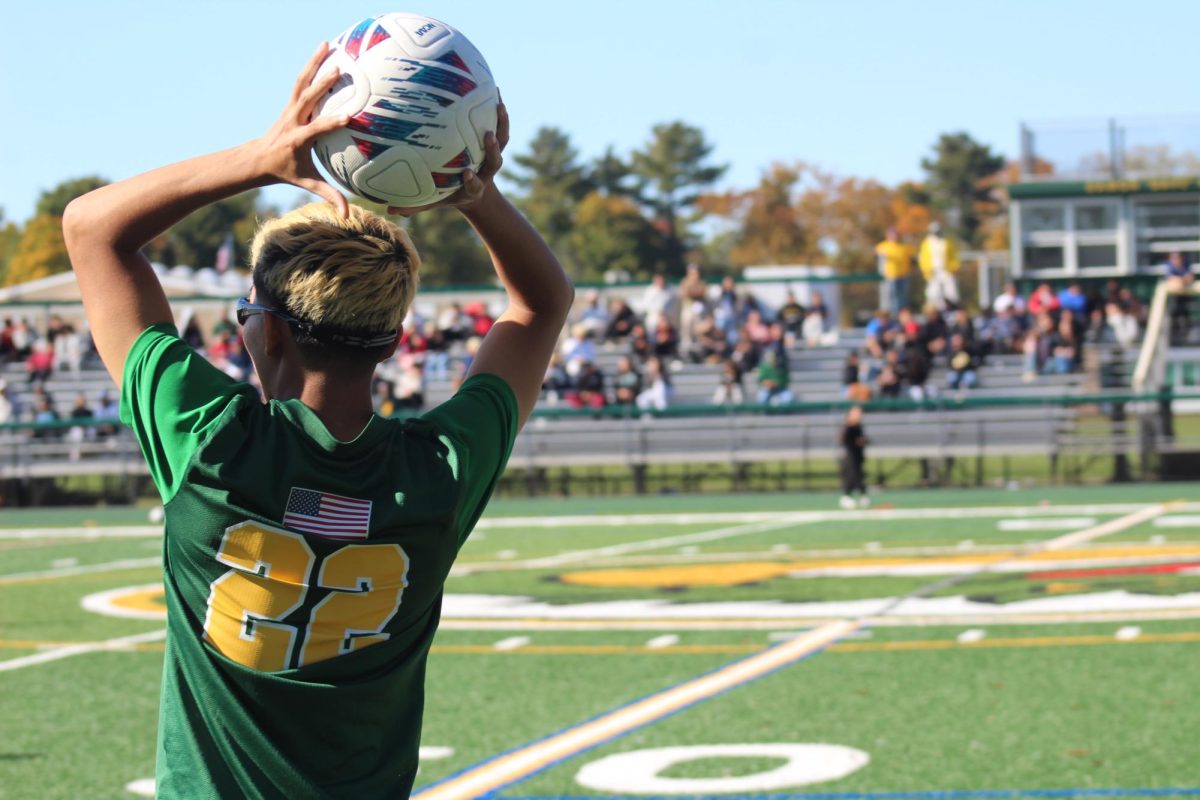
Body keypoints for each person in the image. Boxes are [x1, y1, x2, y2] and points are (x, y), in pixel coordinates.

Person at [62, 46, 572, 799]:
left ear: (266, 333)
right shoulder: (436, 473)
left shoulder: (209, 442)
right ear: (394, 340)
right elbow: (540, 306)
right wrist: (475, 193)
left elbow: (91, 228)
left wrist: (261, 158)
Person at [917, 222, 960, 310]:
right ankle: (933, 310)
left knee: (951, 292)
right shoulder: (926, 243)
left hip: (946, 270)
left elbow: (953, 256)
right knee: (933, 293)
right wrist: (926, 270)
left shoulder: (946, 241)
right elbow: (922, 259)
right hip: (932, 272)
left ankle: (952, 309)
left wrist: (953, 268)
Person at [875, 227, 914, 315]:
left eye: (895, 234)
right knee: (891, 296)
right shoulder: (884, 246)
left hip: (903, 275)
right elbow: (876, 253)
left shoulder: (903, 246)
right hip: (890, 275)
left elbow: (912, 256)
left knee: (902, 297)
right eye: (892, 234)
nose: (894, 237)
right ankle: (891, 314)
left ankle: (902, 315)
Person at [839, 406, 869, 509]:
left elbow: (863, 440)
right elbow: (843, 439)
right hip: (851, 455)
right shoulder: (848, 427)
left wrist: (863, 441)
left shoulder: (858, 427)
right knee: (853, 475)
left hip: (858, 454)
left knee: (858, 475)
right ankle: (850, 496)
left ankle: (861, 495)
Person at [1164, 251, 1195, 344]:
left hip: (1184, 299)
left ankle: (1184, 339)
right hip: (1173, 300)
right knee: (1173, 320)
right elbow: (1170, 278)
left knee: (1184, 319)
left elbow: (1190, 277)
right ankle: (1173, 340)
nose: (1176, 260)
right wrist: (1181, 280)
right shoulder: (1170, 266)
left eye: (1178, 258)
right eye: (1174, 258)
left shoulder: (1186, 265)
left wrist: (1181, 280)